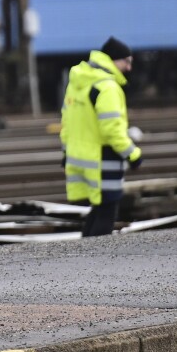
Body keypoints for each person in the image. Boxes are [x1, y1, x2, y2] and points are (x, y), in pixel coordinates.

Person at [60, 37, 143, 237]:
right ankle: (96, 261)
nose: (129, 68)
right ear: (114, 60)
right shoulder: (108, 87)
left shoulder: (78, 83)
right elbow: (112, 130)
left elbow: (67, 123)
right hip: (104, 159)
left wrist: (66, 152)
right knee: (107, 212)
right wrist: (133, 154)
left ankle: (85, 254)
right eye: (127, 61)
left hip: (81, 157)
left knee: (98, 209)